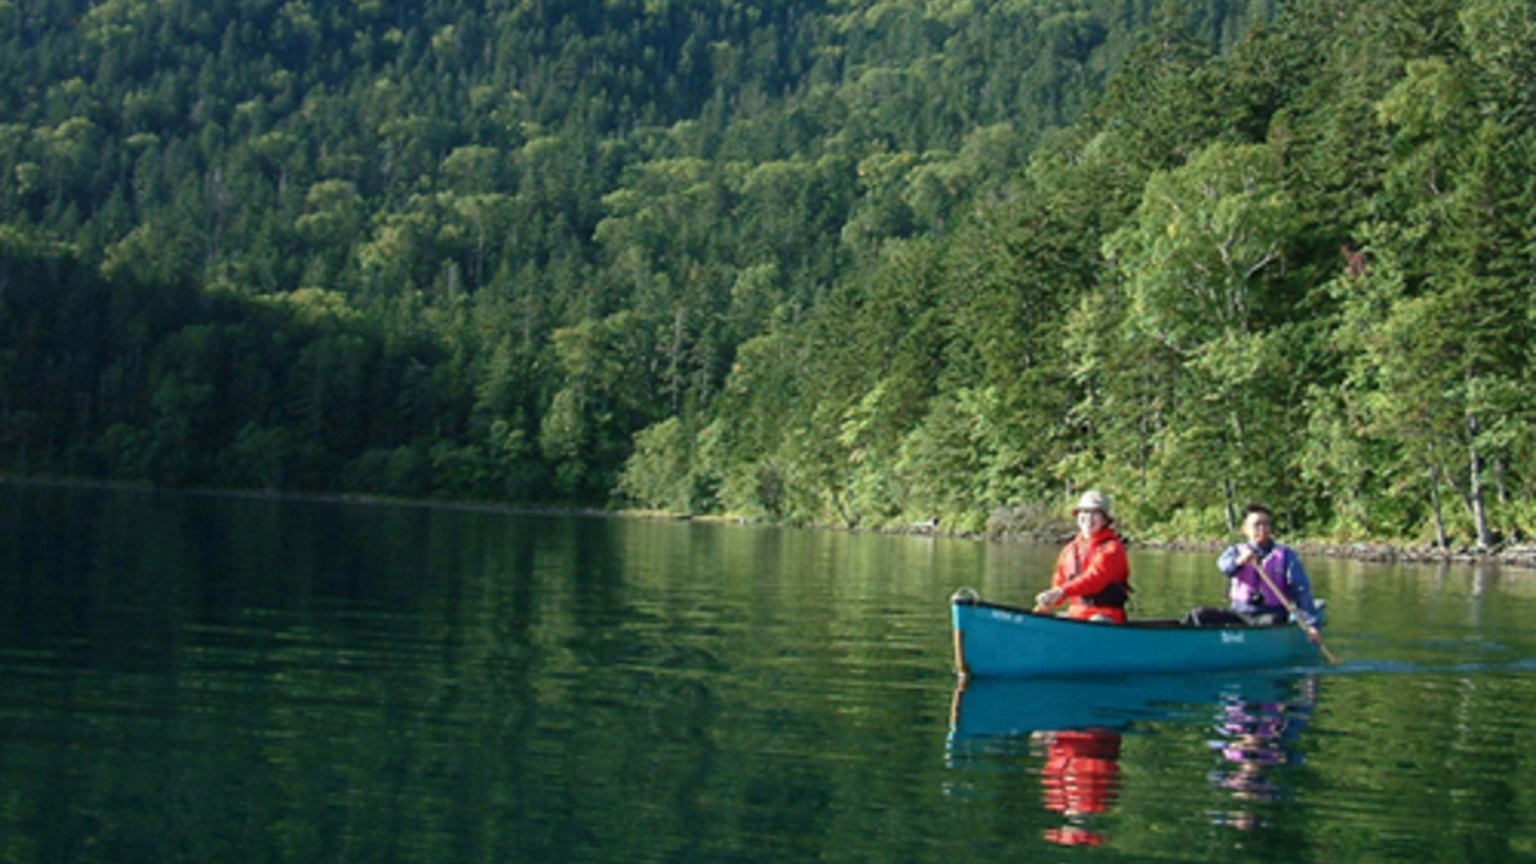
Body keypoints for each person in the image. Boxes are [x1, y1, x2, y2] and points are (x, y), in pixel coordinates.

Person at [1217, 504, 1322, 635]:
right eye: (1257, 525)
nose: (1262, 529)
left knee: (1271, 621)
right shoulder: (1235, 551)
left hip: (1271, 614)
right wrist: (1239, 561)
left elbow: (1301, 590)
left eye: (1266, 524)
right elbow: (1224, 567)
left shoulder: (1286, 555)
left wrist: (1311, 624)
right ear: (1245, 529)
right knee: (1200, 614)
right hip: (1240, 613)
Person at [1034, 490, 1132, 624]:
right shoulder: (1069, 550)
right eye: (1084, 512)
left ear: (1105, 520)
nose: (1088, 518)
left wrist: (1062, 591)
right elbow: (1059, 584)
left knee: (1097, 623)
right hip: (1076, 615)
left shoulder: (1113, 549)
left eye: (1095, 513)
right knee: (1059, 619)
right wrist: (1047, 603)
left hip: (1106, 617)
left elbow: (1094, 579)